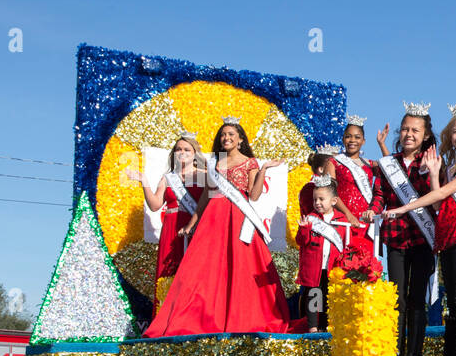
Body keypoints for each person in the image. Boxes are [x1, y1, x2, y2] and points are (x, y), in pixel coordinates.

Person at [145, 118, 301, 337]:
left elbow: (254, 195)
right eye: (223, 135)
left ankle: (241, 317)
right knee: (203, 270)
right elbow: (207, 197)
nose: (226, 138)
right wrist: (192, 222)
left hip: (237, 218)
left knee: (240, 268)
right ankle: (202, 317)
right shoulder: (215, 163)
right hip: (213, 220)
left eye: (231, 135)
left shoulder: (250, 162)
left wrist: (264, 168)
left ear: (240, 140)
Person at [384, 102, 456, 356]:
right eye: (455, 132)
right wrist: (433, 174)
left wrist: (404, 208)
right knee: (452, 302)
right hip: (448, 237)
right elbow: (440, 200)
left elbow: (441, 195)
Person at [375, 105, 439, 356]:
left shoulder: (433, 160)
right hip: (396, 238)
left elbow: (437, 198)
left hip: (422, 239)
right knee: (397, 299)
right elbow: (380, 193)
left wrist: (431, 173)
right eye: (405, 129)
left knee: (416, 300)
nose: (409, 134)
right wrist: (373, 208)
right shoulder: (389, 164)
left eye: (415, 130)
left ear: (425, 135)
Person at [124, 132, 206, 312]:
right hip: (171, 230)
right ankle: (165, 318)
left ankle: (193, 316)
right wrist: (143, 181)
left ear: (194, 154)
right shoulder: (168, 178)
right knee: (168, 273)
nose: (182, 152)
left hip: (195, 229)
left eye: (186, 149)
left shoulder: (204, 175)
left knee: (194, 273)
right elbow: (154, 206)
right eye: (178, 149)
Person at [295, 176, 349, 332]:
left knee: (327, 297)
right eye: (314, 199)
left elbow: (345, 244)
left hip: (332, 267)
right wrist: (304, 229)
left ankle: (325, 327)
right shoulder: (310, 218)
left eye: (321, 199)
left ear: (333, 201)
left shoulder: (342, 219)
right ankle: (312, 327)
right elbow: (301, 241)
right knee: (314, 296)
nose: (317, 202)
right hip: (314, 268)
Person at [328, 116, 384, 257]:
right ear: (343, 139)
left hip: (365, 221)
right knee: (343, 264)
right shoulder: (334, 161)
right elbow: (331, 193)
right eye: (348, 136)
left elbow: (391, 168)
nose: (352, 140)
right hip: (343, 219)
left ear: (363, 141)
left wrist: (382, 144)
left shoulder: (370, 164)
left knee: (365, 265)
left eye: (357, 137)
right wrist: (348, 215)